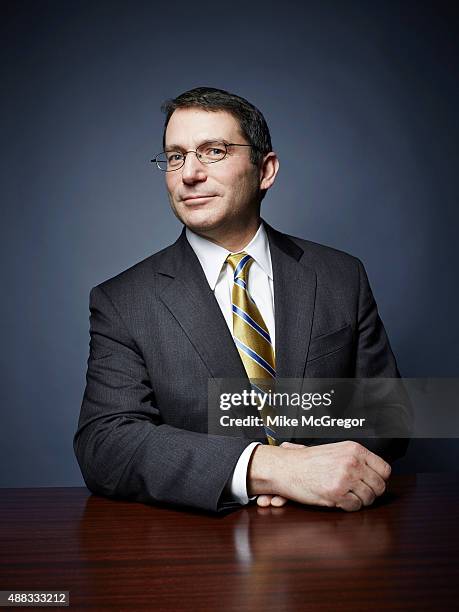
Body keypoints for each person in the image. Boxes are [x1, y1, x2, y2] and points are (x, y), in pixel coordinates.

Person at [74, 87, 408, 513]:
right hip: (195, 553)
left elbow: (388, 416)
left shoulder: (341, 275)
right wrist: (266, 469)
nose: (189, 173)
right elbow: (106, 443)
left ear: (265, 169)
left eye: (213, 151)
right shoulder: (122, 301)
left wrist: (319, 468)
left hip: (336, 538)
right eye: (175, 156)